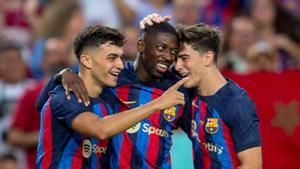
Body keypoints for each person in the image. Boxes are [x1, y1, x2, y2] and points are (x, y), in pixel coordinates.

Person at [36, 18, 187, 168]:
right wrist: (61, 75)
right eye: (112, 58)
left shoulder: (108, 98)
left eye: (120, 57)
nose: (120, 64)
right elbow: (100, 129)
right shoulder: (65, 96)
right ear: (87, 60)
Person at [174, 23, 262, 168]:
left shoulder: (237, 103)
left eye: (184, 58)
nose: (177, 66)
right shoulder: (188, 95)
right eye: (176, 59)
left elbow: (253, 165)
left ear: (208, 57)